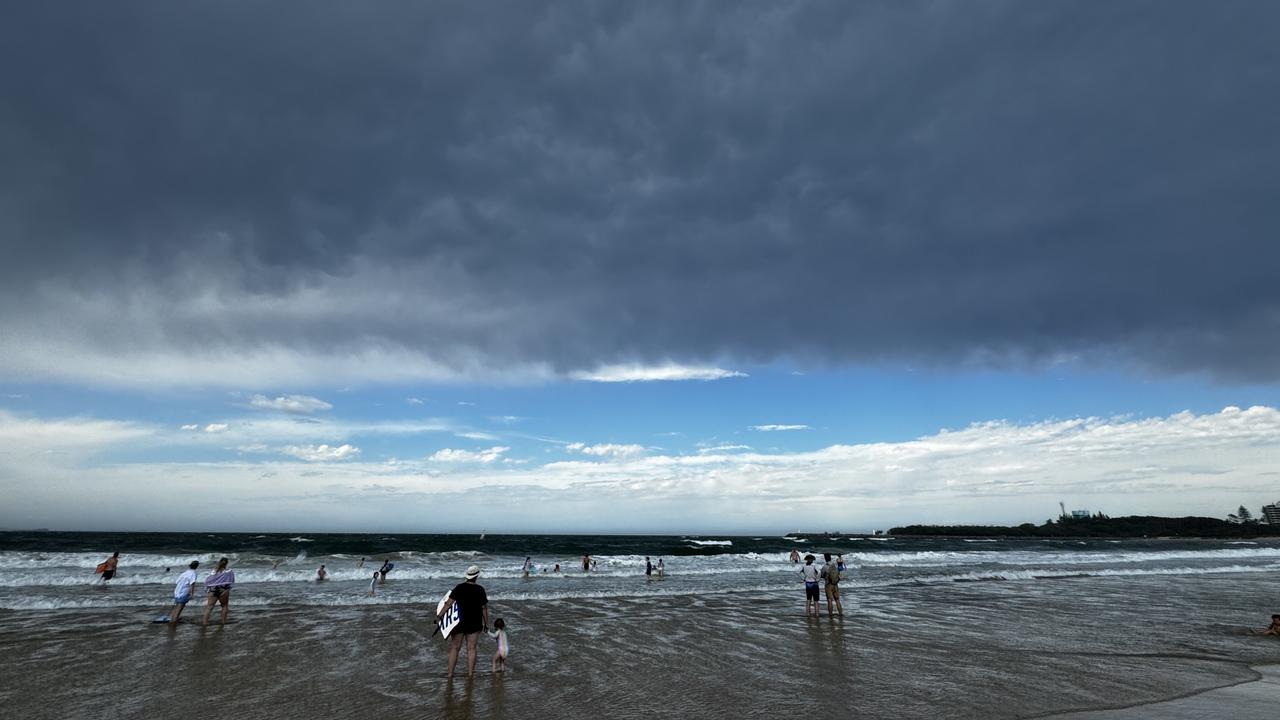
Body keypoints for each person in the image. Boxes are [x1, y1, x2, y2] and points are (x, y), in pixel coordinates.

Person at [436, 565, 490, 679]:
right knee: (472, 648)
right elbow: (484, 608)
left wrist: (439, 616)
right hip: (474, 622)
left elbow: (448, 603)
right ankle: (470, 674)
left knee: (455, 648)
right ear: (477, 576)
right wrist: (486, 623)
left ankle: (450, 674)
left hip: (458, 622)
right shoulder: (480, 589)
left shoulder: (459, 587)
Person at [201, 557, 235, 627]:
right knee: (224, 606)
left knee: (209, 607)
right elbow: (231, 581)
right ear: (227, 563)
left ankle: (205, 622)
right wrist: (228, 589)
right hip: (223, 590)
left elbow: (208, 580)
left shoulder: (214, 571)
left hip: (213, 590)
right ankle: (223, 622)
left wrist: (207, 589)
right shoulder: (229, 571)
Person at [163, 560, 200, 625]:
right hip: (184, 592)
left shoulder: (184, 573)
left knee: (176, 607)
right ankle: (173, 623)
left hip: (177, 592)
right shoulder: (193, 573)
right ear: (197, 566)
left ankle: (173, 619)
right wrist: (192, 593)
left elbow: (177, 582)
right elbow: (192, 583)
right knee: (179, 609)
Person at [821, 553, 844, 618]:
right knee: (837, 600)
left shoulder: (825, 567)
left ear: (825, 558)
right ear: (830, 557)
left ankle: (830, 615)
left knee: (829, 600)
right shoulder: (835, 566)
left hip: (828, 585)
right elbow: (839, 574)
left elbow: (822, 575)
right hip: (835, 584)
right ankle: (840, 614)